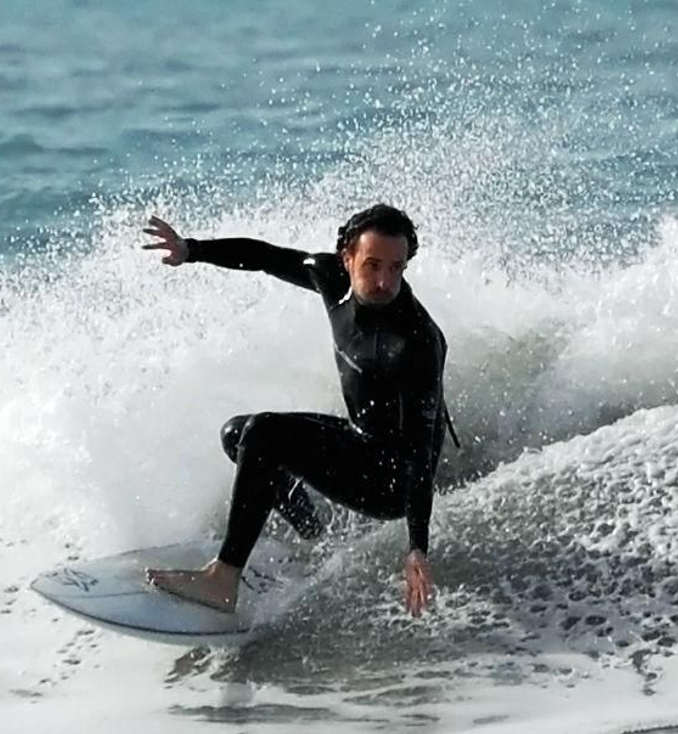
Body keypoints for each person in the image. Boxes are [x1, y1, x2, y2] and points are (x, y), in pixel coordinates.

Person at [139, 204, 453, 617]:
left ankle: (222, 580)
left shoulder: (416, 342)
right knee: (239, 435)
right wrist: (190, 249)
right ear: (347, 258)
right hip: (362, 441)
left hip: (392, 483)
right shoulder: (331, 278)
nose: (384, 281)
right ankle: (313, 533)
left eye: (396, 268)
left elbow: (418, 453)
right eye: (373, 265)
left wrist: (417, 548)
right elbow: (264, 257)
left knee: (264, 433)